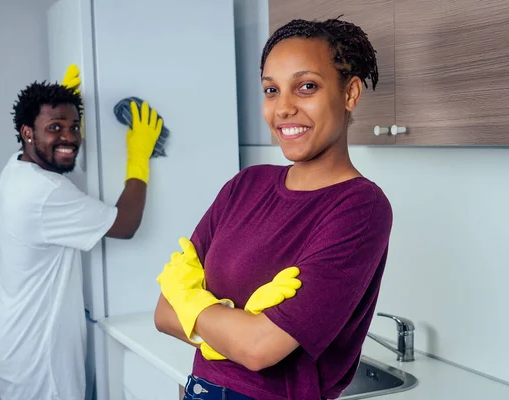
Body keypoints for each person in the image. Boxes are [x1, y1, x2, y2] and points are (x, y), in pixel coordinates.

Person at [155, 17, 393, 400]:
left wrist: (192, 304)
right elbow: (163, 313)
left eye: (306, 87)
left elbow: (259, 349)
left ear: (349, 93)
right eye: (271, 90)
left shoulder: (360, 207)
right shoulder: (245, 185)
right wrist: (237, 328)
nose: (283, 108)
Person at [0, 65, 163, 400]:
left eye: (75, 126)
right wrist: (138, 157)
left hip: (16, 329)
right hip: (38, 348)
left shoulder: (18, 168)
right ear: (27, 132)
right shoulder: (44, 192)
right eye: (55, 127)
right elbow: (125, 225)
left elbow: (52, 167)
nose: (70, 137)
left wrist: (57, 114)